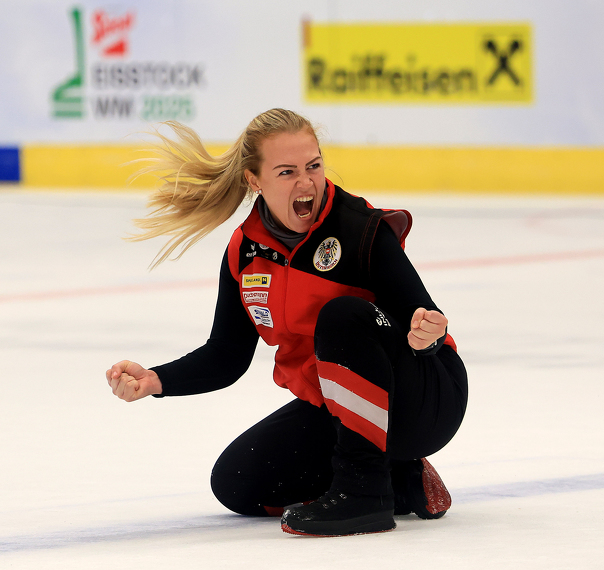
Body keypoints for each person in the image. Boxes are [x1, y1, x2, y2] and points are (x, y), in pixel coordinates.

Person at [105, 108, 467, 536]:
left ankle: (365, 495)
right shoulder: (245, 252)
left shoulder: (360, 230)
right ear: (253, 180)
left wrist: (426, 333)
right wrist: (155, 379)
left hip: (425, 401)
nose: (306, 182)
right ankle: (400, 478)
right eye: (287, 171)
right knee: (236, 484)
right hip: (340, 412)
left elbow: (425, 322)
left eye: (313, 166)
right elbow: (227, 355)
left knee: (342, 315)